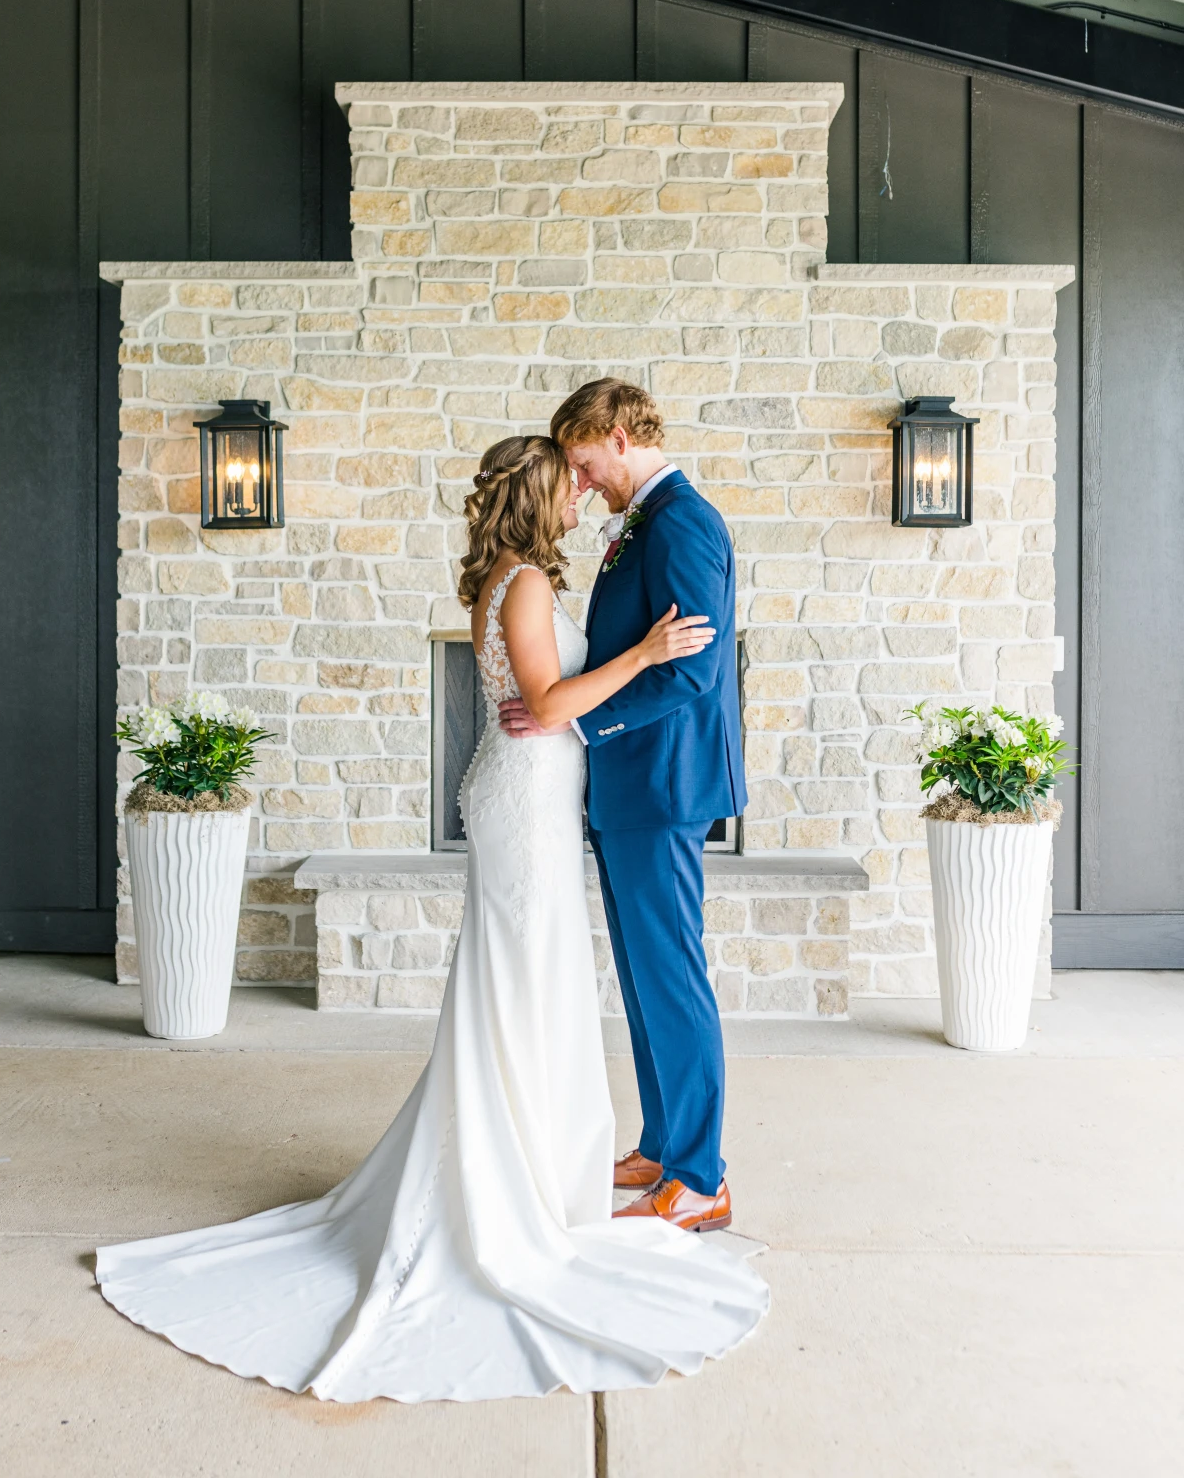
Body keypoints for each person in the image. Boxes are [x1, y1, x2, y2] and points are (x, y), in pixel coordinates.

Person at [94, 434, 768, 1403]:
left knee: (522, 986)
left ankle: (590, 1157)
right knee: (528, 984)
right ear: (539, 498)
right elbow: (545, 701)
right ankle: (533, 1179)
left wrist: (627, 673)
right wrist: (648, 653)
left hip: (536, 798)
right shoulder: (527, 583)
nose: (581, 494)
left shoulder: (508, 575)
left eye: (586, 473)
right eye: (567, 483)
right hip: (529, 801)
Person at [500, 381, 746, 1233]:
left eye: (581, 458)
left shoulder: (679, 520)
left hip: (661, 783)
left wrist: (580, 722)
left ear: (614, 434)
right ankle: (663, 1143)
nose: (579, 477)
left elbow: (691, 669)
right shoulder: (644, 519)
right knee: (643, 978)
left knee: (671, 975)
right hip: (631, 785)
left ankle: (700, 1176)